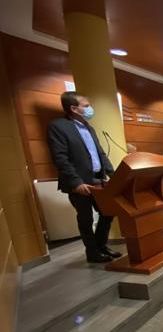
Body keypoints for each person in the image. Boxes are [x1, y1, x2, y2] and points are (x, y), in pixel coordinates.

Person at [47, 91, 120, 263]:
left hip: (98, 180)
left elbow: (100, 154)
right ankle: (92, 252)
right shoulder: (58, 126)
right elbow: (60, 158)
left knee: (107, 212)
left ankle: (101, 246)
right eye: (86, 106)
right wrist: (76, 182)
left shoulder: (89, 127)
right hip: (79, 184)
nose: (90, 109)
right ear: (73, 108)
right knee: (85, 218)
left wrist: (114, 176)